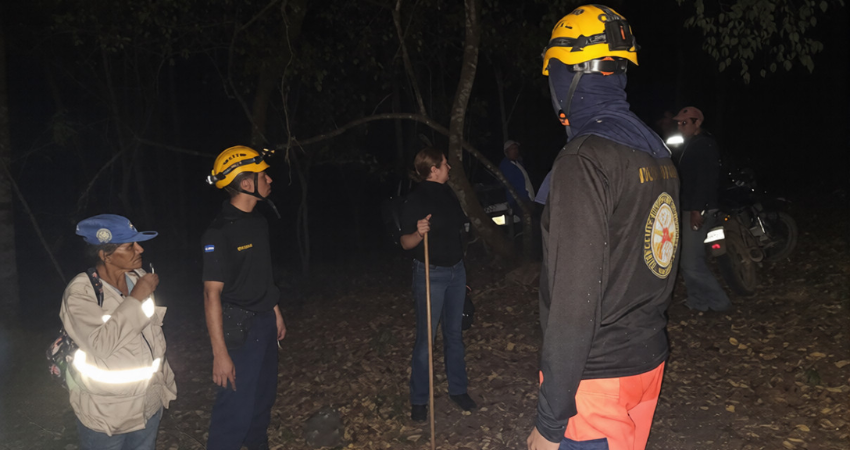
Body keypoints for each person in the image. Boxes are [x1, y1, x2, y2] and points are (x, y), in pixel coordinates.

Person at [528, 5, 680, 450]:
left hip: (596, 381)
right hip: (646, 361)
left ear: (567, 77)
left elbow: (575, 298)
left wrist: (550, 420)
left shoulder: (585, 160)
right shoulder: (656, 155)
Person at [60, 214, 177, 449]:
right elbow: (100, 345)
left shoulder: (139, 277)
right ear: (105, 255)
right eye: (130, 245)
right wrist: (136, 298)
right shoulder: (81, 292)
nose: (140, 248)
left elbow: (152, 334)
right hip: (106, 414)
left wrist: (164, 382)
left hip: (148, 404)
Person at [201, 145, 287, 450]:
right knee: (234, 411)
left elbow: (262, 274)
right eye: (264, 174)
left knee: (262, 401)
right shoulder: (219, 233)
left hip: (263, 322)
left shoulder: (258, 222)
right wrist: (220, 354)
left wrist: (274, 310)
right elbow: (211, 295)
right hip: (238, 330)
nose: (270, 179)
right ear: (247, 183)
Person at [399, 147, 476, 422]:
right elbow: (405, 242)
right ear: (433, 169)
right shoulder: (416, 199)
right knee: (426, 340)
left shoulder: (448, 193)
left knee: (454, 335)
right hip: (430, 273)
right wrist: (418, 233)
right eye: (445, 164)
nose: (449, 168)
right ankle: (419, 400)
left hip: (456, 272)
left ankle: (458, 390)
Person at [672, 106, 732, 312]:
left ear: (697, 123)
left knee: (690, 262)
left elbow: (706, 180)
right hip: (688, 207)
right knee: (687, 259)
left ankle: (719, 302)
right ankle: (698, 302)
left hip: (698, 209)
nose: (680, 127)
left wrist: (698, 210)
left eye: (685, 123)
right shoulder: (690, 144)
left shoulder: (704, 144)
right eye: (679, 123)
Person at [499, 140, 536, 212]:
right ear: (506, 152)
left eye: (516, 148)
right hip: (519, 201)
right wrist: (524, 198)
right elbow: (512, 184)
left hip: (527, 198)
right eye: (513, 149)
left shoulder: (518, 163)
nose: (516, 151)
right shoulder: (506, 165)